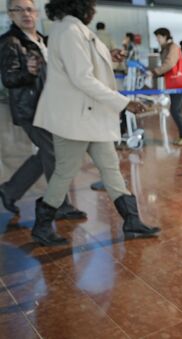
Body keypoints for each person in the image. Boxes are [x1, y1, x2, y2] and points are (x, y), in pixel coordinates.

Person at [32, 0, 160, 246]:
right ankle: (42, 226)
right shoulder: (69, 31)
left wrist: (108, 58)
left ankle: (132, 221)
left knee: (110, 167)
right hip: (76, 118)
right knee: (64, 172)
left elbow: (82, 66)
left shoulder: (71, 28)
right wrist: (123, 103)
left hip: (88, 116)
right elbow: (82, 78)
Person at [0, 0, 86, 221]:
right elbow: (9, 79)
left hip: (51, 107)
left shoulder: (44, 40)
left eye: (29, 9)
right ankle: (60, 204)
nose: (25, 14)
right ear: (10, 14)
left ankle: (9, 190)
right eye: (18, 10)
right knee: (54, 153)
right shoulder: (10, 42)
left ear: (37, 13)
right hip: (30, 109)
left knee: (45, 155)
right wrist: (28, 73)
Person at [152, 28, 182, 146]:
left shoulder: (173, 47)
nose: (157, 40)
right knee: (178, 109)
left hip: (179, 82)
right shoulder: (166, 48)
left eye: (159, 37)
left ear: (165, 36)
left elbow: (170, 63)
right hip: (174, 82)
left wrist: (156, 72)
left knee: (175, 110)